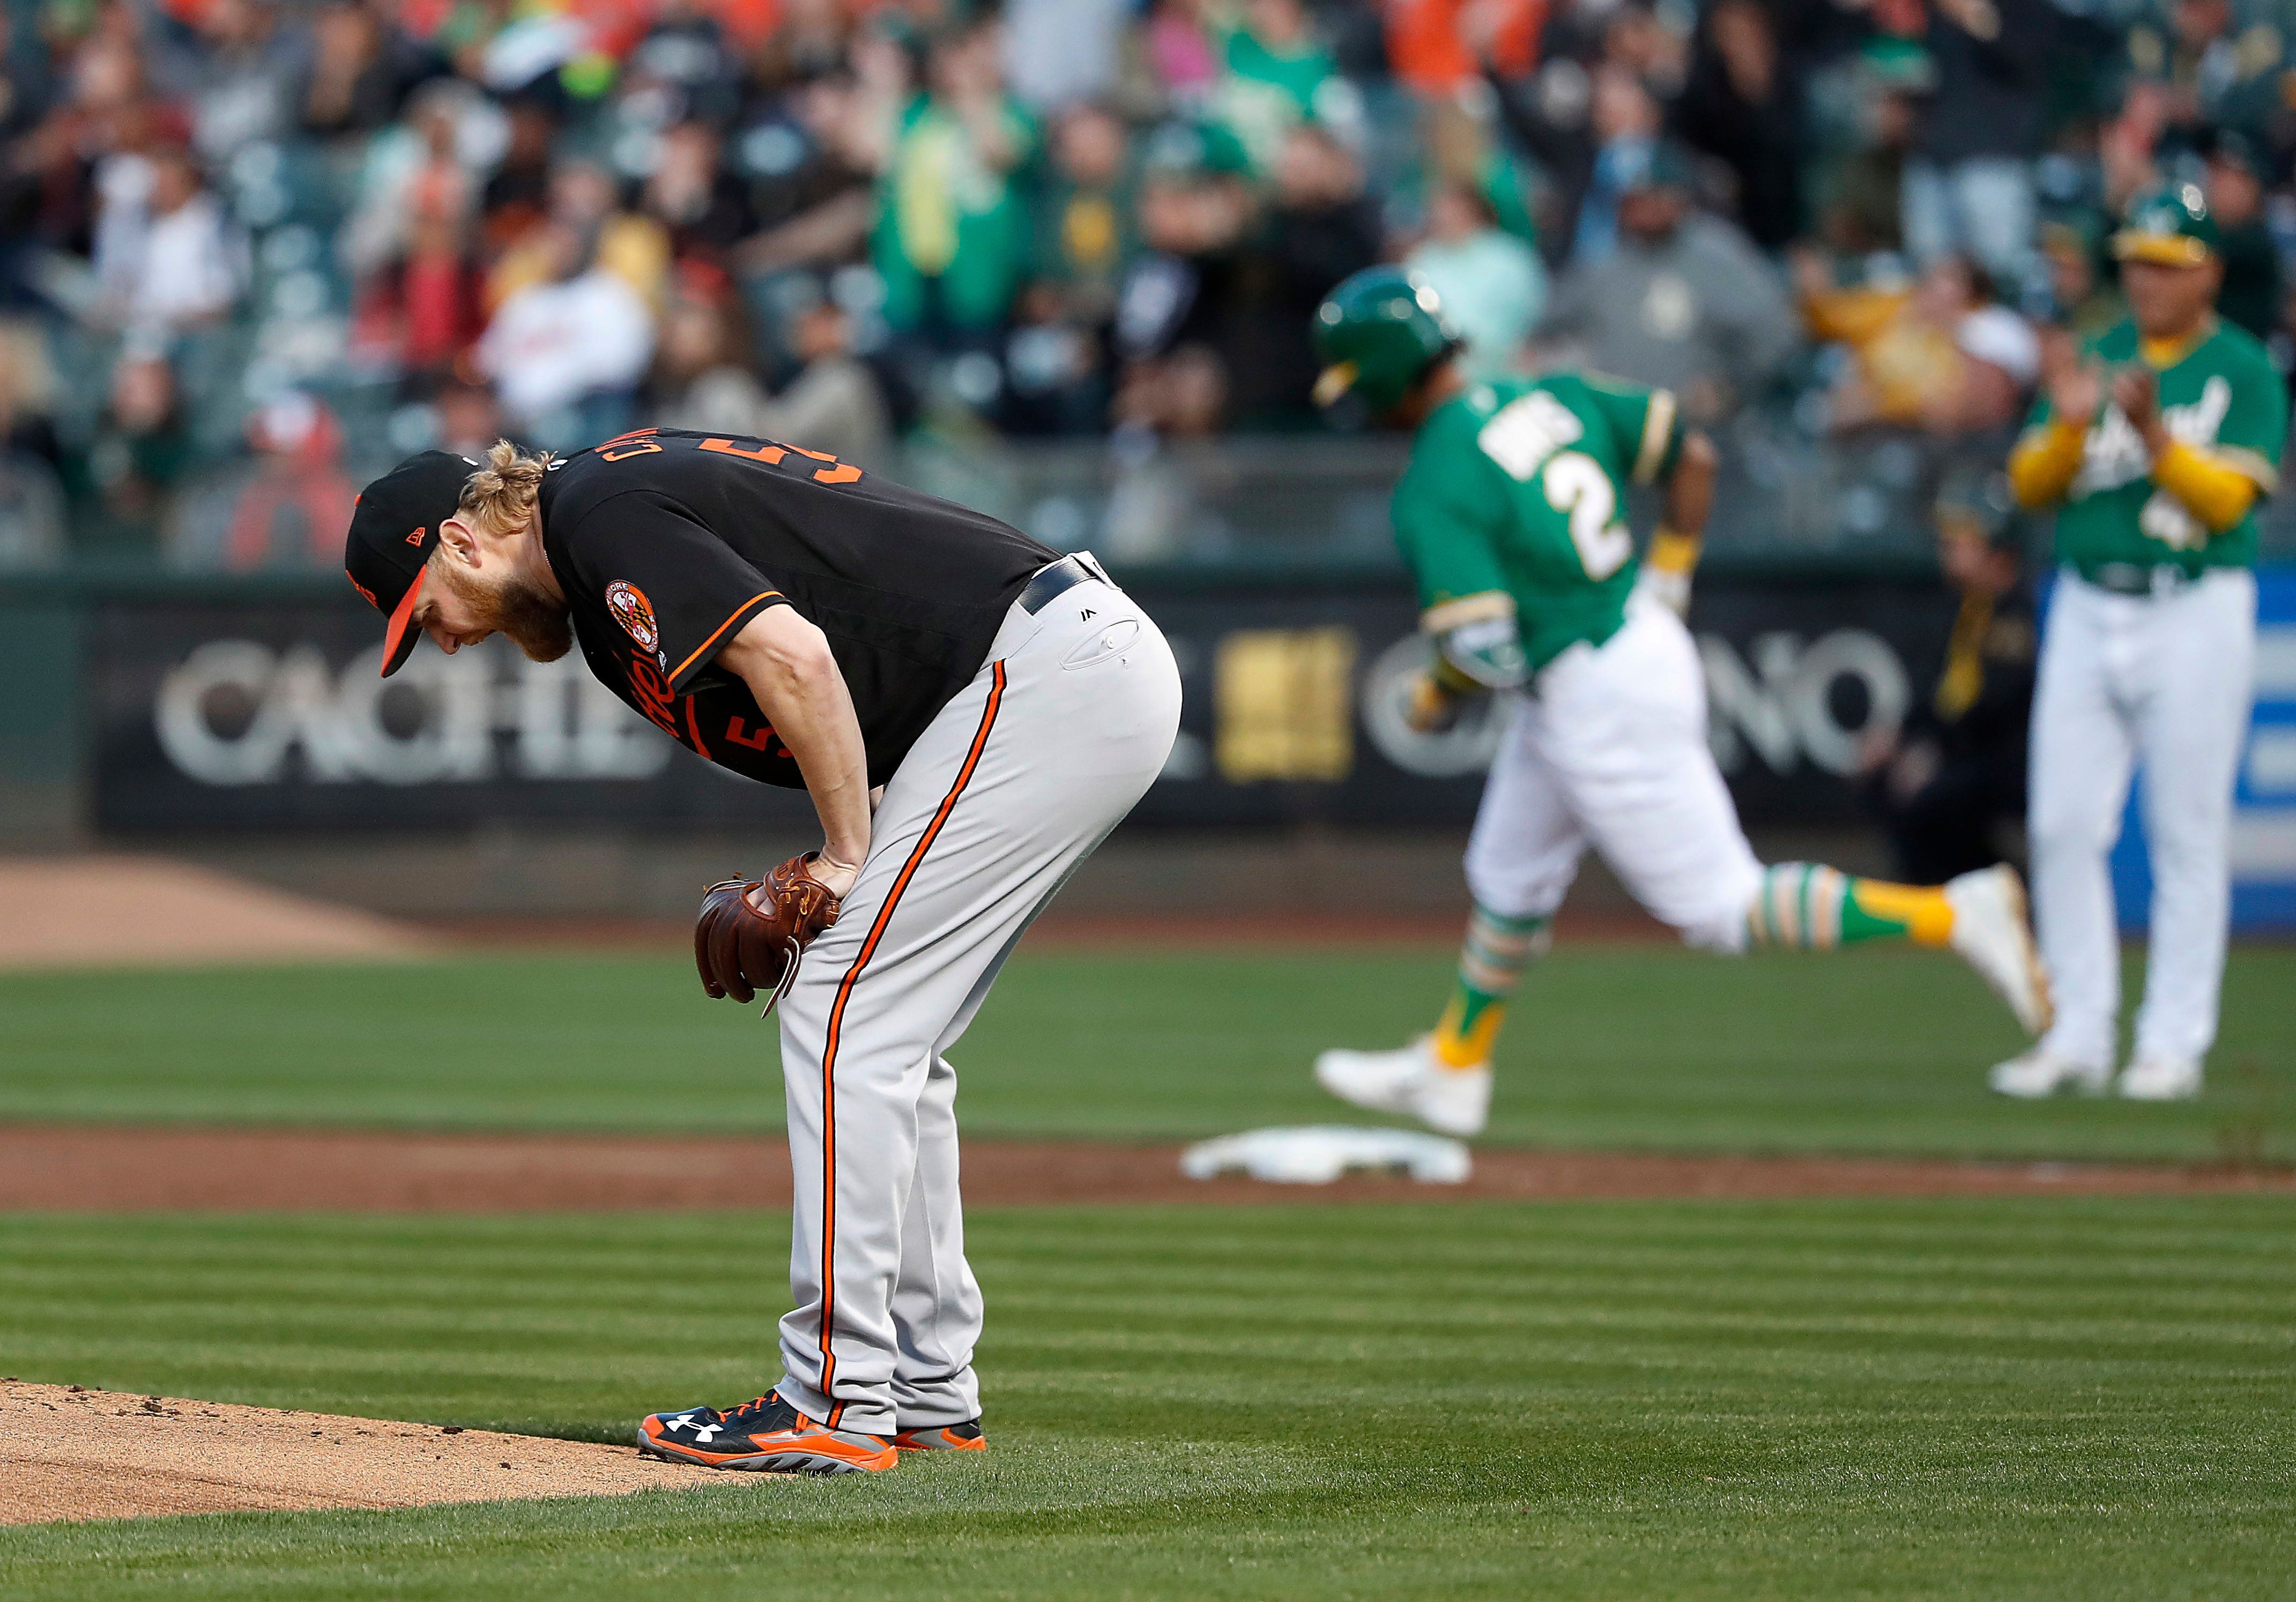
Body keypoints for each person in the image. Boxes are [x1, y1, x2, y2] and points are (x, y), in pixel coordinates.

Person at [344, 430, 1179, 1471]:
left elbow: (796, 656)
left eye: (425, 614)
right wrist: (840, 853)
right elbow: (863, 694)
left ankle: (834, 1399)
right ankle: (922, 1386)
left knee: (842, 1009)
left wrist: (838, 860)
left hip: (1045, 674)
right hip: (1045, 678)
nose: (448, 642)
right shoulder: (597, 556)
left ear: (463, 544)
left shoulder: (597, 513)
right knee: (883, 1027)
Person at [1305, 266, 2048, 1136]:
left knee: (1722, 908)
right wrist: (1668, 574)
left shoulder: (1436, 477)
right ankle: (1454, 1066)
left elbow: (1481, 648)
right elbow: (1691, 452)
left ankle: (1953, 913)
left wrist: (1434, 696)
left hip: (1591, 686)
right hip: (1630, 635)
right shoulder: (1548, 393)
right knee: (1507, 873)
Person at [1993, 184, 2285, 1102]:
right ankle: (2076, 1034)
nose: (2145, 279)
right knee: (2060, 824)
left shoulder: (2240, 367)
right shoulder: (2094, 351)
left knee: (2183, 831)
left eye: (2164, 262)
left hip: (2192, 602)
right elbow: (2028, 485)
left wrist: (2155, 437)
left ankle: (2170, 1042)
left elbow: (2227, 502)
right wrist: (2074, 422)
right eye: (2134, 260)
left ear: (2207, 269)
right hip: (2087, 598)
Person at [1859, 476, 2037, 884]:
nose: (1948, 552)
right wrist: (1899, 738)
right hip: (1963, 751)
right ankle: (1949, 884)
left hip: (2003, 758)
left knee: (1932, 793)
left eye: (1962, 543)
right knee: (1878, 778)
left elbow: (1996, 704)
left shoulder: (2017, 610)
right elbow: (1937, 690)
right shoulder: (1965, 607)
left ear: (1997, 553)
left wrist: (1934, 751)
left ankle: (1992, 883)